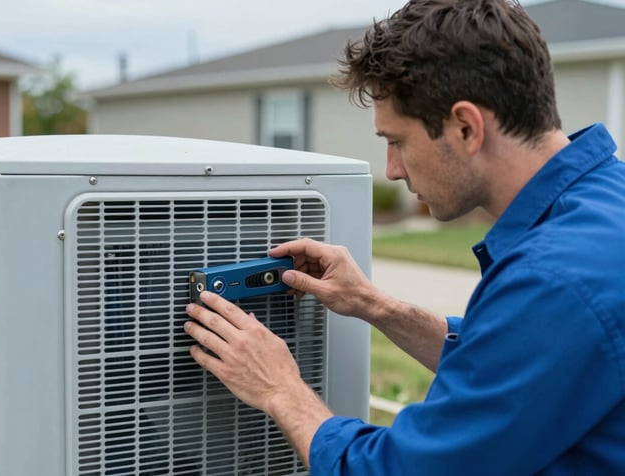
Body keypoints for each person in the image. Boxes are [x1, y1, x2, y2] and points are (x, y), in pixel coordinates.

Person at [184, 0, 625, 473]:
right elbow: (512, 369)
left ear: (465, 127)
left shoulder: (555, 278)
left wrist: (280, 390)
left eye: (397, 141)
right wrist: (374, 305)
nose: (392, 170)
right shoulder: (604, 208)